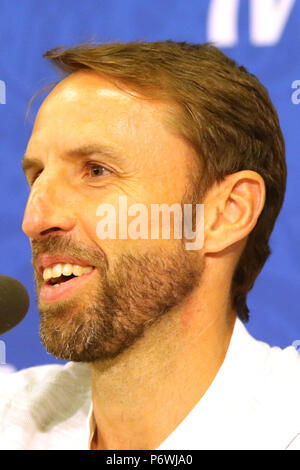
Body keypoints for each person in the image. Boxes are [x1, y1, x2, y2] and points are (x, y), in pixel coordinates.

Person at [0, 40, 299, 450]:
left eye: (96, 171)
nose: (34, 220)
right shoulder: (11, 421)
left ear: (226, 212)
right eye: (37, 177)